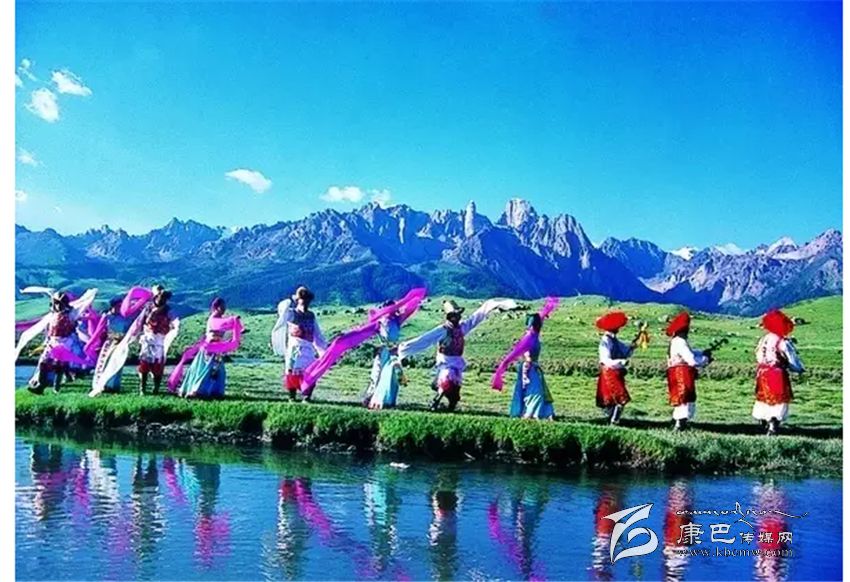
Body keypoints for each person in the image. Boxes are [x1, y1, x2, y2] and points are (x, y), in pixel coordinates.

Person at [399, 298, 518, 412]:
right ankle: (435, 402)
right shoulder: (443, 330)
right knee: (447, 382)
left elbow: (475, 318)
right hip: (446, 362)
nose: (458, 317)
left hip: (456, 362)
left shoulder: (461, 328)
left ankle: (449, 405)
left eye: (458, 315)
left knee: (454, 392)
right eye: (455, 315)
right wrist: (403, 348)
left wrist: (489, 306)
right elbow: (425, 339)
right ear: (450, 317)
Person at [28, 291, 96, 395]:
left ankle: (55, 388)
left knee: (59, 365)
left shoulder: (71, 314)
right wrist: (47, 341)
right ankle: (41, 386)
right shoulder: (52, 315)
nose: (58, 306)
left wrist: (90, 294)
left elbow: (83, 305)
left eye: (60, 303)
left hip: (65, 342)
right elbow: (49, 330)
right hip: (52, 341)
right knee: (43, 363)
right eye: (56, 303)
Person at [271, 286, 327, 402]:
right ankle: (292, 397)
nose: (305, 302)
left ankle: (307, 396)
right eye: (303, 299)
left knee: (311, 372)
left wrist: (323, 350)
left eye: (307, 300)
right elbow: (282, 312)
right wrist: (288, 303)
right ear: (298, 300)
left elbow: (317, 334)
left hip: (308, 349)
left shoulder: (311, 315)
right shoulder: (292, 314)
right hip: (294, 348)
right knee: (292, 372)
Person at [753, 310, 804, 435]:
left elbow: (758, 356)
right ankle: (773, 425)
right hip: (777, 373)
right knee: (778, 399)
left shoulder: (764, 339)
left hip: (762, 372)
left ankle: (764, 422)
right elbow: (792, 358)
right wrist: (798, 369)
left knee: (765, 397)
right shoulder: (782, 341)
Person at [179, 297, 241, 400]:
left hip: (216, 349)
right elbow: (223, 325)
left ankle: (213, 391)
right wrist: (234, 320)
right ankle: (197, 391)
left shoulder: (219, 320)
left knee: (216, 371)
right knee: (207, 370)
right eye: (222, 307)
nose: (224, 309)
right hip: (210, 349)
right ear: (216, 307)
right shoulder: (213, 320)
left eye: (224, 307)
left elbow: (225, 328)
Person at [665, 311, 713, 431]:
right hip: (682, 373)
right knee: (685, 398)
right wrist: (705, 359)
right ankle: (680, 425)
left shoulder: (675, 341)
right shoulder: (681, 342)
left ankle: (676, 422)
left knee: (679, 397)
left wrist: (701, 352)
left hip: (674, 372)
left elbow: (689, 353)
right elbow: (691, 360)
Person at [507, 314, 555, 419]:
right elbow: (526, 353)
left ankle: (540, 413)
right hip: (529, 367)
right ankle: (530, 414)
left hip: (533, 367)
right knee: (535, 392)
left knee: (539, 391)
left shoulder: (533, 336)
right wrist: (526, 369)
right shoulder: (529, 337)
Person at [595, 311, 638, 425]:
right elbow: (605, 360)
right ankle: (614, 420)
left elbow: (624, 351)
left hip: (615, 372)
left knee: (615, 398)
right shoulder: (605, 341)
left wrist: (632, 347)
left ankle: (612, 419)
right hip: (609, 373)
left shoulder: (614, 340)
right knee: (619, 398)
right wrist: (621, 362)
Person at [364, 303, 408, 409]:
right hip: (384, 351)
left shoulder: (397, 320)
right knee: (377, 374)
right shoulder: (380, 321)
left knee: (392, 376)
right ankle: (371, 398)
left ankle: (389, 400)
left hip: (393, 352)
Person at [137, 286, 178, 395]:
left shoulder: (168, 310)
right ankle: (142, 388)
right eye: (161, 297)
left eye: (165, 299)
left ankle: (156, 388)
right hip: (148, 337)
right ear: (157, 296)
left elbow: (173, 322)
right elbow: (142, 321)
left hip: (160, 339)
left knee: (158, 365)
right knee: (144, 364)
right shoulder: (148, 307)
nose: (163, 300)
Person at [93, 298, 133, 393]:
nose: (119, 308)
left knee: (118, 363)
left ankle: (115, 385)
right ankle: (105, 385)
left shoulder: (125, 318)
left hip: (121, 343)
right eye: (117, 306)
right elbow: (100, 330)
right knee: (106, 362)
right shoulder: (107, 317)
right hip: (110, 342)